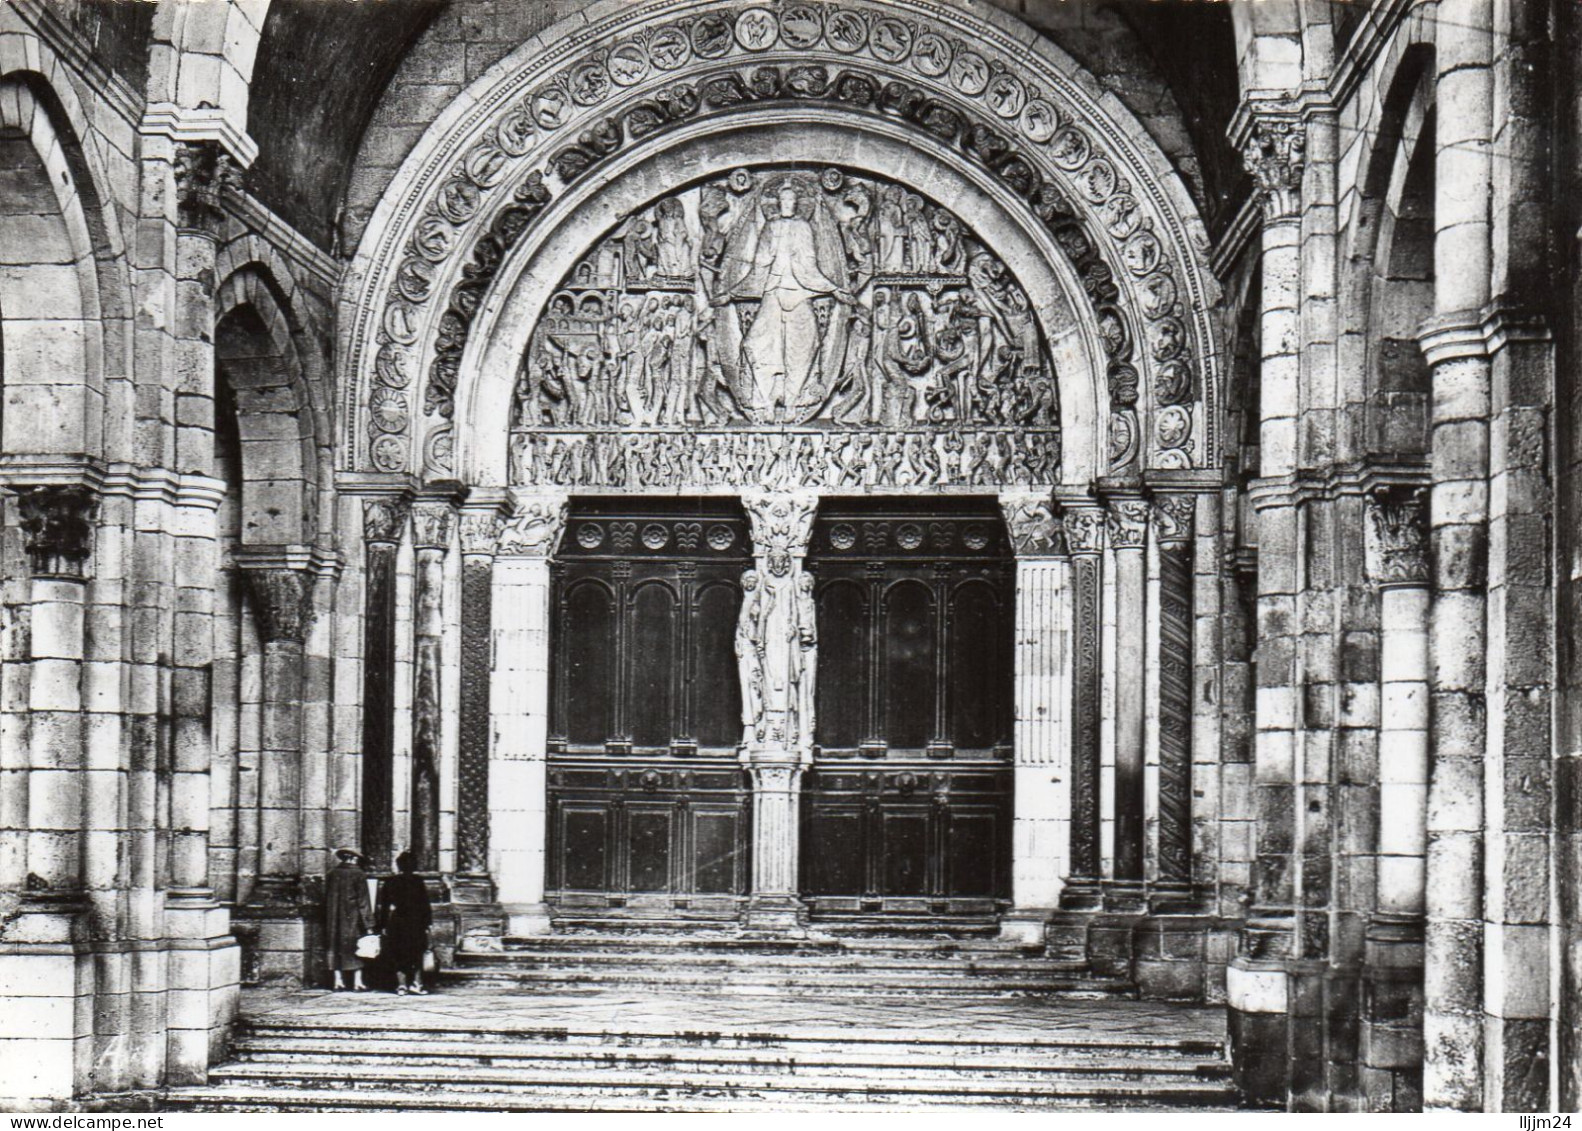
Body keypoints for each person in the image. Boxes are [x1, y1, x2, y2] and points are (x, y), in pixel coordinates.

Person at [378, 850, 434, 996]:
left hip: (397, 922)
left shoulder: (390, 882)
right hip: (416, 922)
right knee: (416, 954)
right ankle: (417, 984)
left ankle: (401, 986)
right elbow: (425, 905)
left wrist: (383, 925)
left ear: (399, 866)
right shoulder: (418, 881)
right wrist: (428, 924)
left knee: (398, 954)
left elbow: (384, 906)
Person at [324, 847, 373, 991]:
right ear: (352, 858)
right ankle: (357, 982)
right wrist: (369, 922)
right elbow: (363, 901)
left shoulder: (332, 874)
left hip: (333, 918)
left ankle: (338, 981)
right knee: (356, 947)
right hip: (353, 918)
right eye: (356, 858)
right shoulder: (359, 874)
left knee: (335, 946)